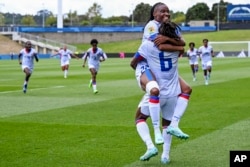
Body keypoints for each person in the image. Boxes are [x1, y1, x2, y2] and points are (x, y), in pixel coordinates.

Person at [130, 2, 189, 164]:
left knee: (143, 112)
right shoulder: (151, 25)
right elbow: (177, 44)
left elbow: (171, 43)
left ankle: (153, 144)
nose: (166, 14)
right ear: (154, 14)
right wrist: (176, 44)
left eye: (168, 11)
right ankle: (165, 153)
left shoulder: (169, 27)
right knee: (184, 90)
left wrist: (170, 39)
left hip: (155, 66)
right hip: (151, 67)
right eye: (162, 11)